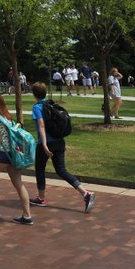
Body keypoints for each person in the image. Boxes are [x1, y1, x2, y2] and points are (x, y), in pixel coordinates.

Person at [29, 82, 96, 212]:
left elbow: (41, 126)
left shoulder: (37, 107)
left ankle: (41, 198)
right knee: (61, 170)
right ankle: (85, 193)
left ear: (34, 94)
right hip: (60, 141)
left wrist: (43, 144)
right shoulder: (51, 104)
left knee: (40, 169)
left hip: (47, 143)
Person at [0, 93, 33, 225]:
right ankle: (27, 216)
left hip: (3, 154)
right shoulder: (7, 116)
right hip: (14, 154)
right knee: (19, 184)